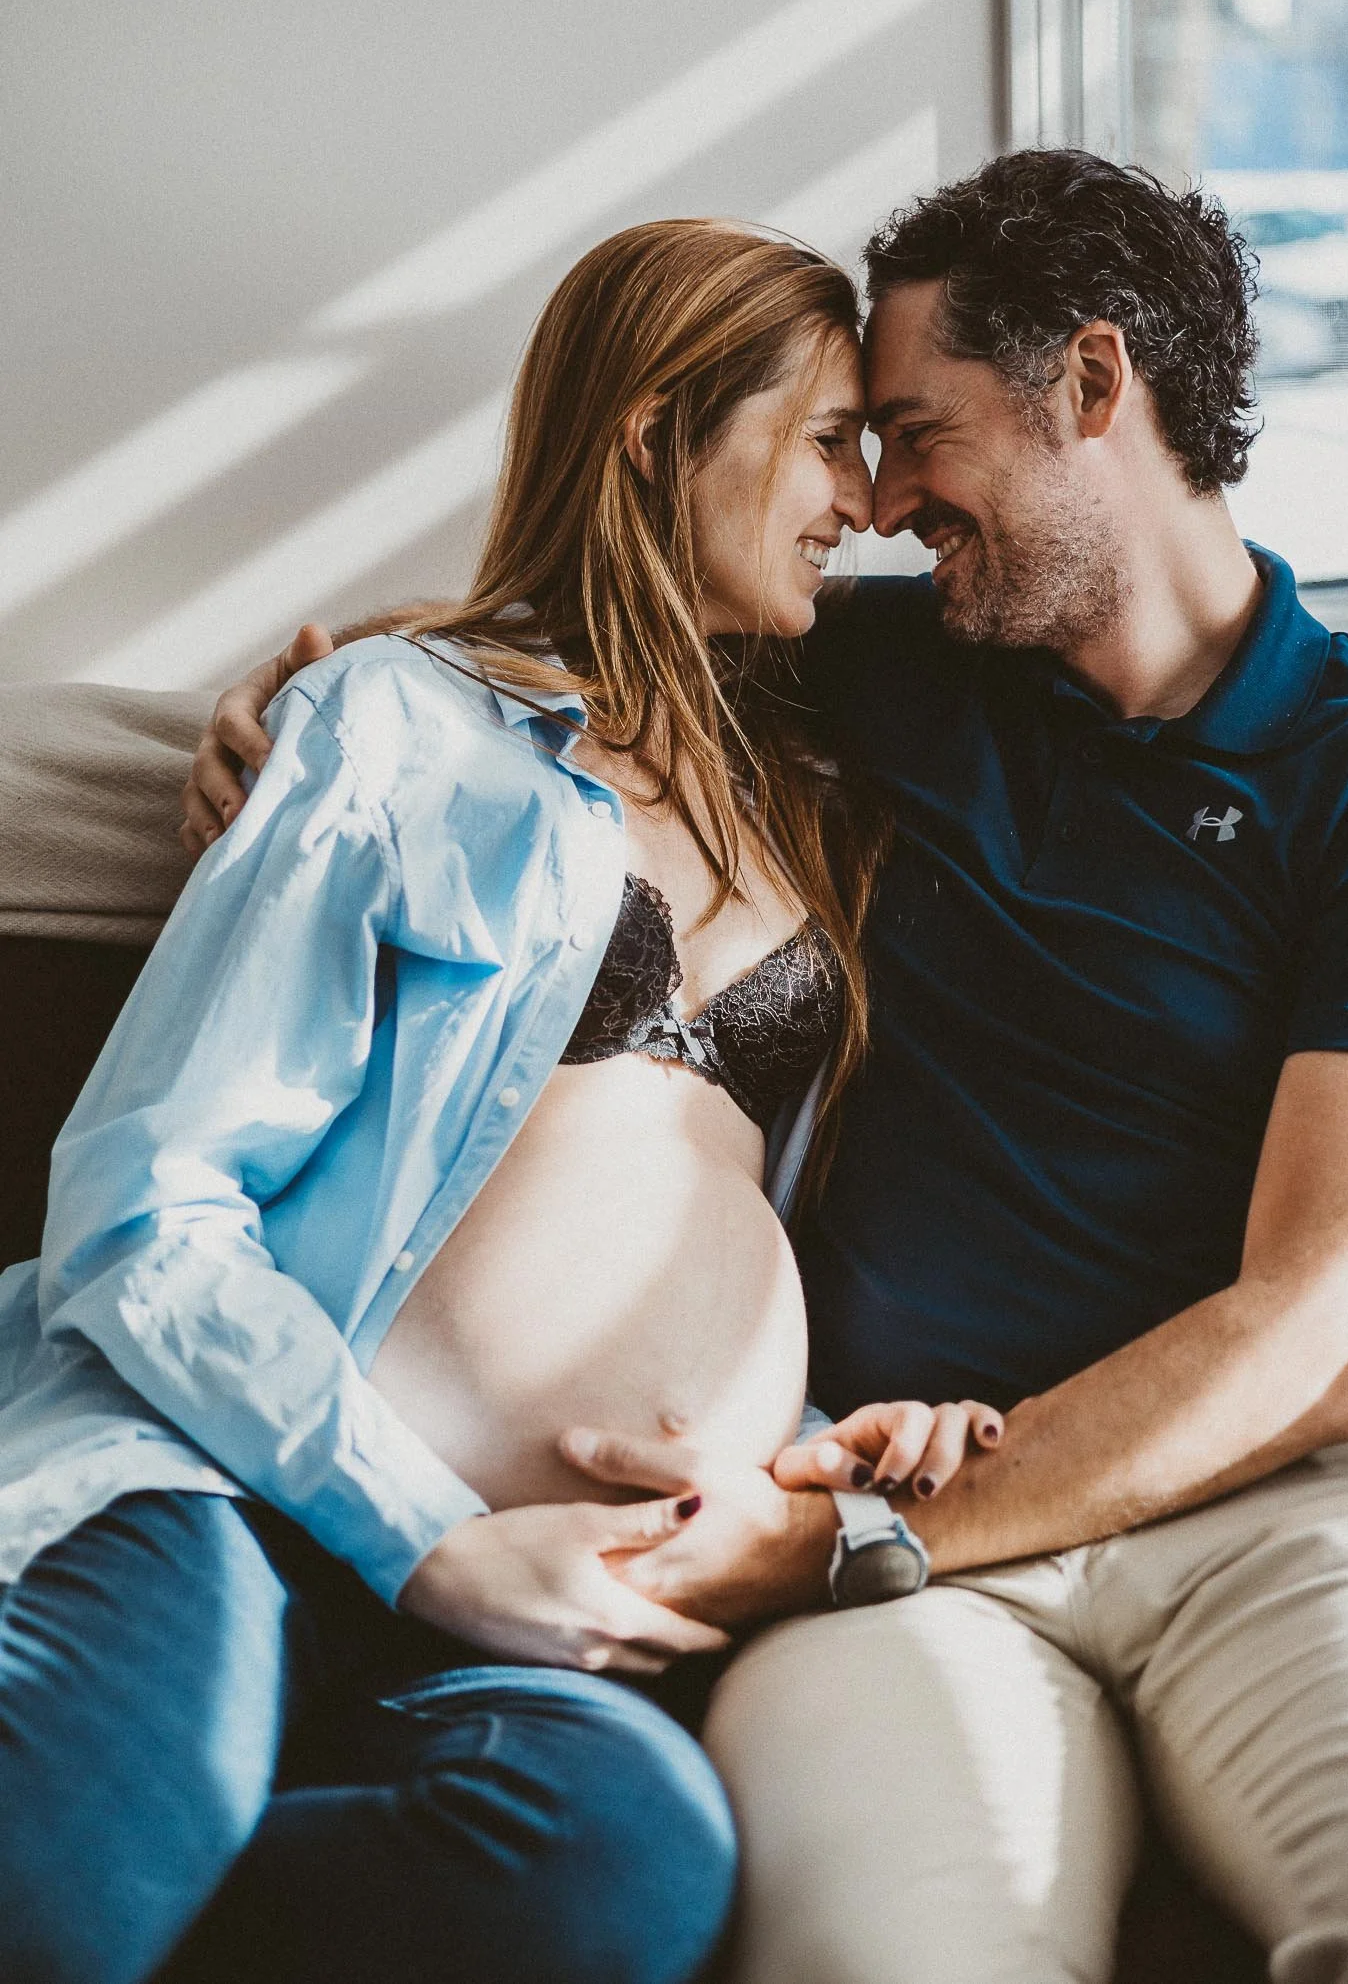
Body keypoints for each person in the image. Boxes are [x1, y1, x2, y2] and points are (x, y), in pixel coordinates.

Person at [201, 152, 1348, 1984]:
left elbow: (1314, 1338)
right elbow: (572, 641)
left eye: (913, 433)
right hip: (870, 1537)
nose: (879, 502)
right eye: (856, 450)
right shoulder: (872, 670)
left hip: (1249, 1518)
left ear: (1093, 384)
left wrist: (847, 1528)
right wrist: (308, 707)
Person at [0, 216, 996, 1984]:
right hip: (239, 1484)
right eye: (830, 438)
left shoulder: (820, 794)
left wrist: (833, 1437)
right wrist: (435, 1540)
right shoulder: (400, 727)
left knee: (616, 1873)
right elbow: (144, 1204)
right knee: (73, 1870)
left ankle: (174, 1840)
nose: (865, 501)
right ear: (657, 432)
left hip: (569, 1589)